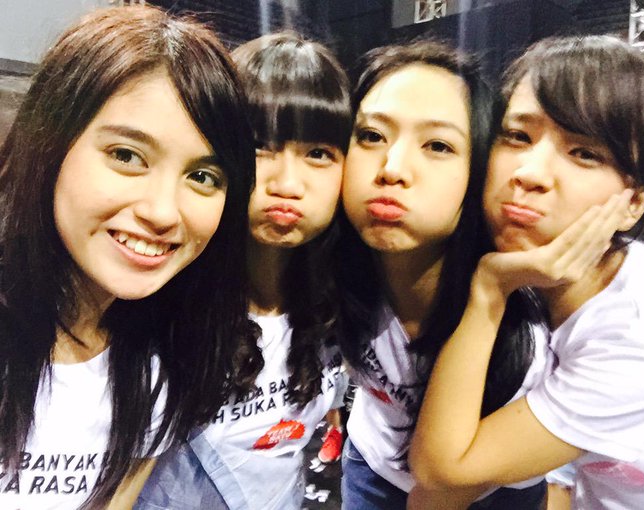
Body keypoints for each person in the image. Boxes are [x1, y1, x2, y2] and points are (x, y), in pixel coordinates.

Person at [0, 6, 255, 509]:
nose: (162, 212)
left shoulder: (170, 354)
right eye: (126, 155)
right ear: (48, 145)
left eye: (202, 177)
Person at [410, 35, 644, 510]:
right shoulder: (540, 274)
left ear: (633, 204)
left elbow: (442, 471)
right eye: (518, 136)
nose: (530, 173)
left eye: (585, 153)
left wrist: (490, 289)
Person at [134, 32, 352, 510]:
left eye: (318, 153)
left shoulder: (344, 303)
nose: (287, 183)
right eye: (259, 146)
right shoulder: (156, 306)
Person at [337, 39, 549, 510]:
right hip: (372, 466)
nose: (392, 169)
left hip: (493, 491)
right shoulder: (333, 269)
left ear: (481, 172)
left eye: (438, 145)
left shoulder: (528, 329)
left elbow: (444, 485)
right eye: (371, 136)